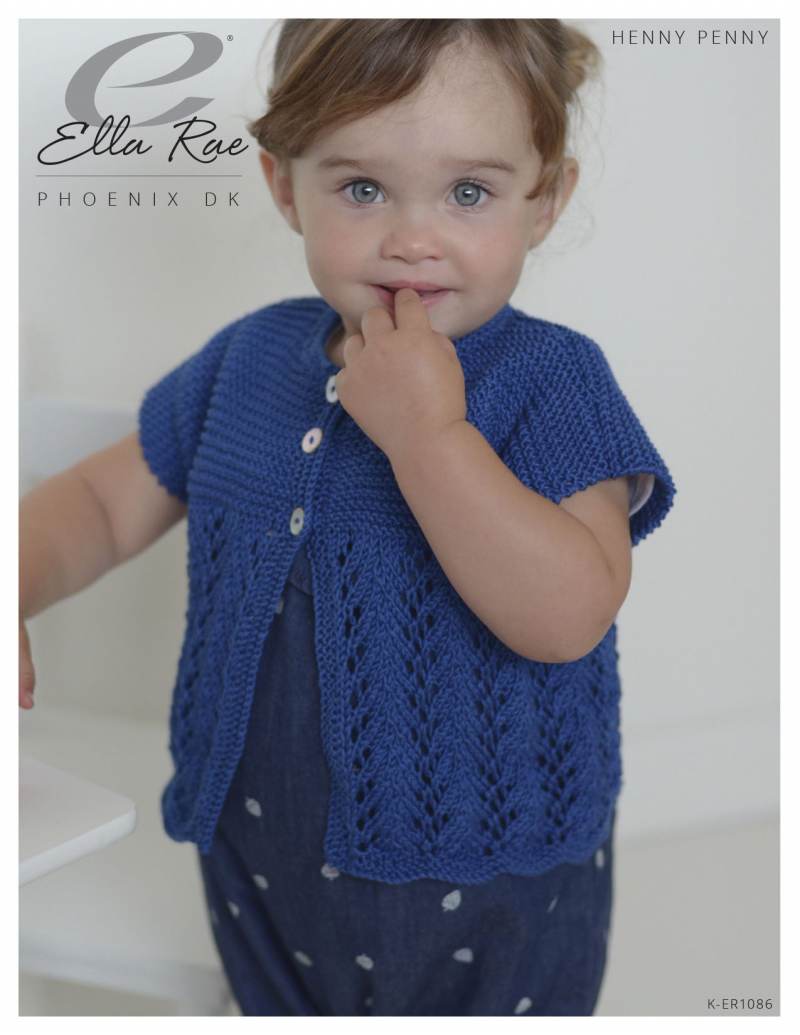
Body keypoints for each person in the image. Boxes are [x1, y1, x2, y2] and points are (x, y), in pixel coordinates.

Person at [19, 19, 677, 1016]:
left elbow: (568, 612)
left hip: (491, 879)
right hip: (259, 853)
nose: (412, 237)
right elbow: (103, 504)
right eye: (362, 188)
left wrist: (429, 438)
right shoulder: (248, 361)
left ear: (543, 200)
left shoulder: (550, 381)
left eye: (468, 192)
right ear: (285, 186)